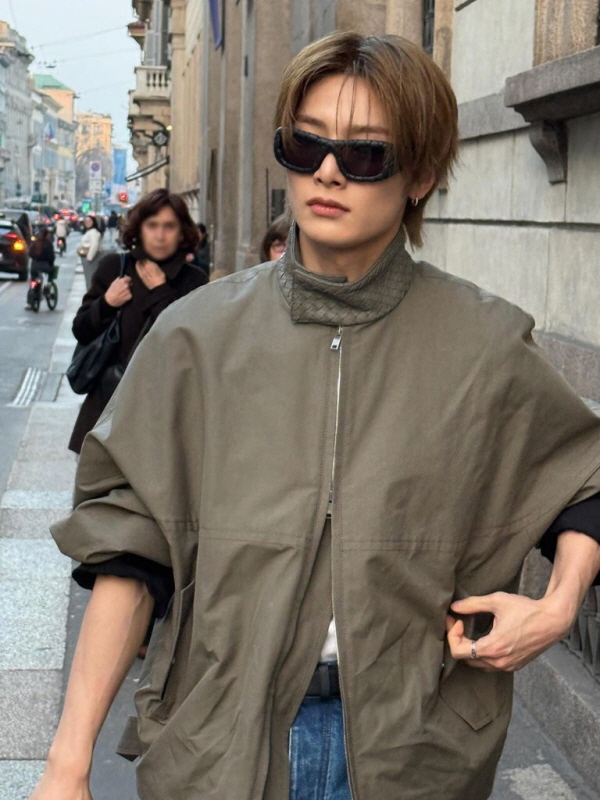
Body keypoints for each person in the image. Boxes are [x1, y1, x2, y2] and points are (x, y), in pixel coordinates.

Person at [31, 32, 600, 800]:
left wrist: (557, 608)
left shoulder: (484, 344)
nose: (328, 171)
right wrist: (67, 766)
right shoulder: (196, 338)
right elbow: (128, 554)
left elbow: (582, 477)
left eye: (365, 153)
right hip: (224, 740)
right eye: (306, 145)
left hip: (414, 750)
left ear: (422, 175)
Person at [67, 189, 208, 455]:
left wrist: (160, 292)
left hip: (166, 417)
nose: (160, 235)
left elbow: (191, 346)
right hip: (107, 411)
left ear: (182, 233)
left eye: (169, 226)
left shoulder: (194, 280)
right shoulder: (114, 268)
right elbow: (81, 330)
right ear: (139, 229)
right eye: (152, 225)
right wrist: (107, 302)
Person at [25, 227, 55, 309]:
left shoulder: (35, 243)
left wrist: (35, 259)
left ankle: (29, 302)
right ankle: (48, 285)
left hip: (34, 266)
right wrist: (51, 264)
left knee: (33, 281)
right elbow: (51, 256)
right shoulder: (48, 244)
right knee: (51, 273)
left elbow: (30, 253)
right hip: (44, 265)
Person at [77, 215, 103, 289]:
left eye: (89, 221)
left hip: (92, 258)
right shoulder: (89, 231)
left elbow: (94, 245)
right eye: (86, 221)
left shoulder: (93, 232)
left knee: (91, 278)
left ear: (93, 222)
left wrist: (89, 257)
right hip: (87, 257)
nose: (87, 223)